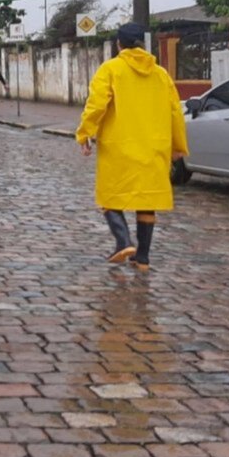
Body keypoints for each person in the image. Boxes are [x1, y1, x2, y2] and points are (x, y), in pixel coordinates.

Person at [75, 22, 189, 271]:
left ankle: (123, 241)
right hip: (153, 148)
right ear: (142, 43)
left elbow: (96, 105)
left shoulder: (111, 69)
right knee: (146, 201)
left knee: (109, 196)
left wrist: (85, 133)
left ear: (119, 44)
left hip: (119, 147)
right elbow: (175, 112)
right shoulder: (161, 74)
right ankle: (143, 258)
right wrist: (178, 146)